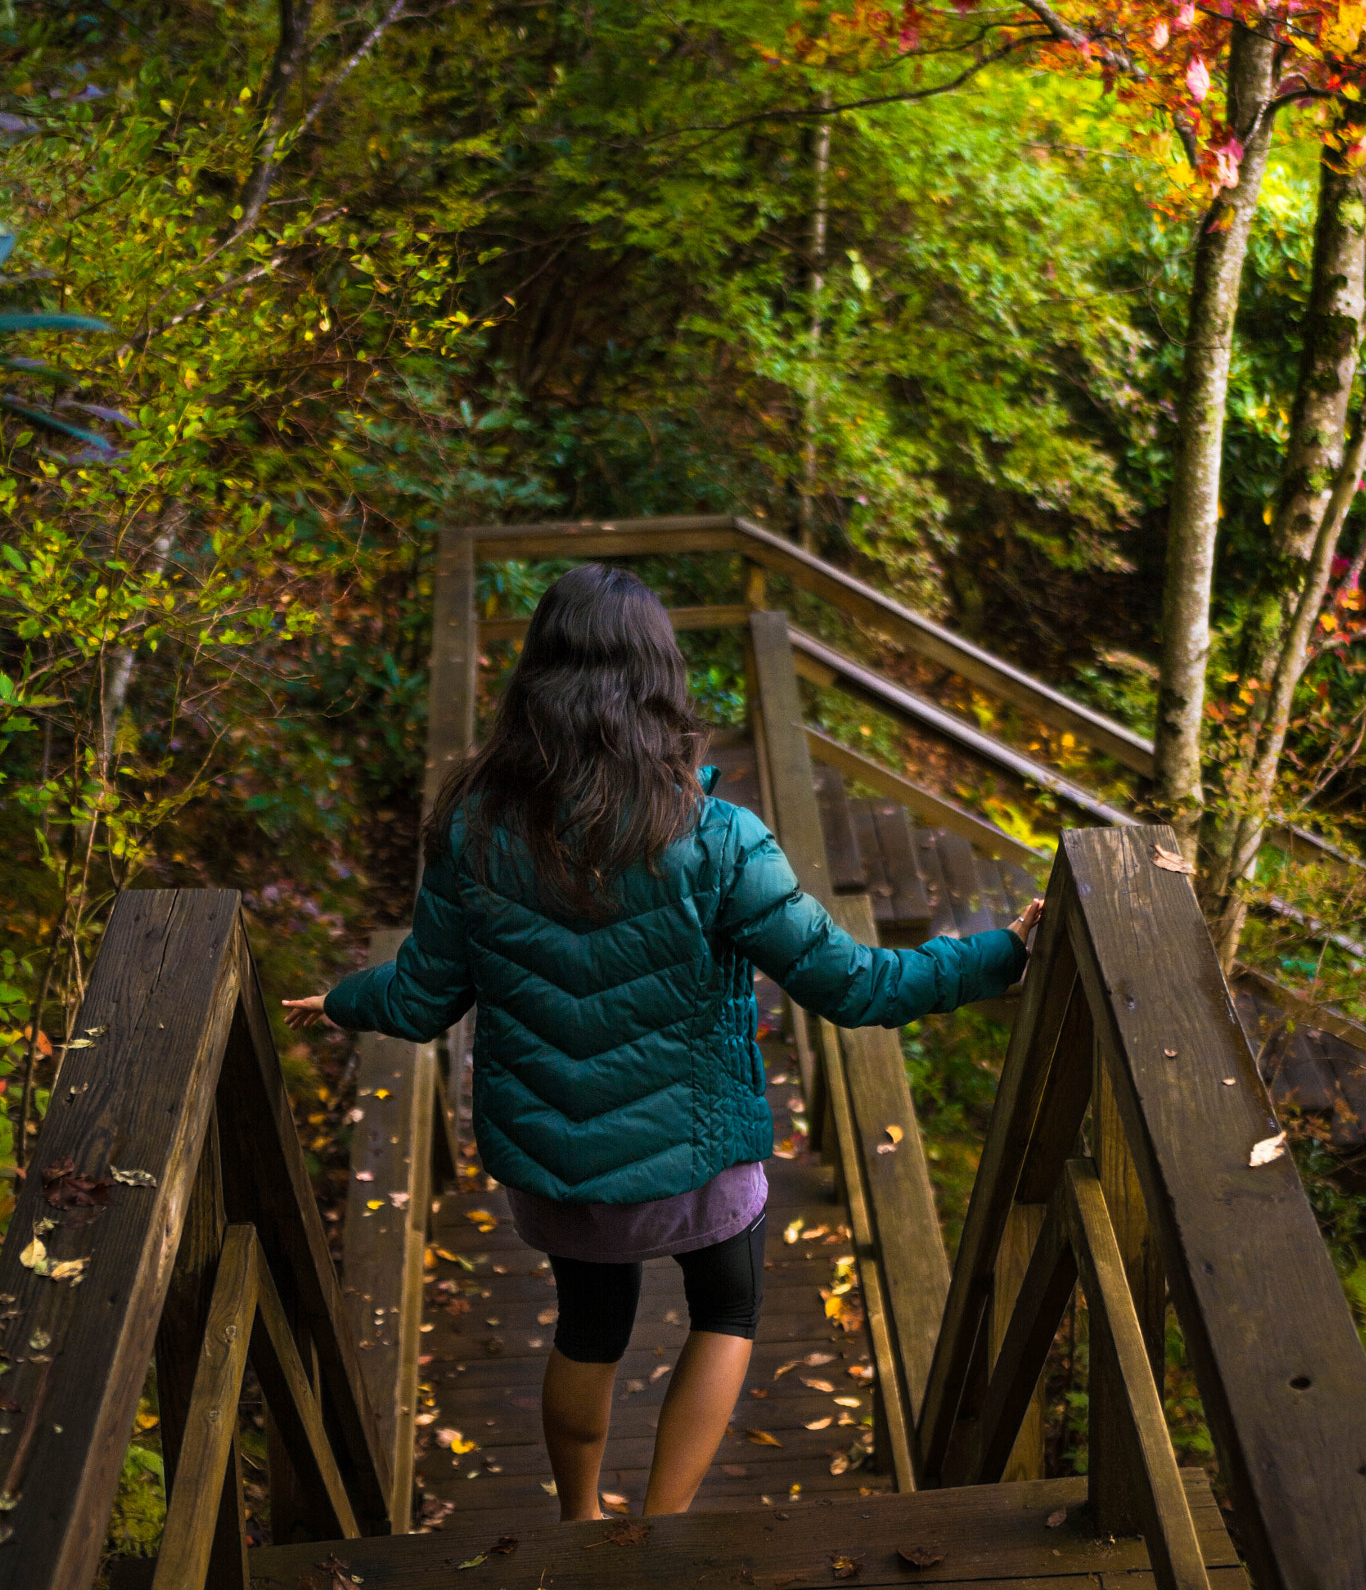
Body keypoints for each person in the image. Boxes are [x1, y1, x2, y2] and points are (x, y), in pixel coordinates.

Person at [285, 562, 1040, 1521]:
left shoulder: (476, 829)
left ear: (538, 678)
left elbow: (425, 994)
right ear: (660, 680)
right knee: (728, 1311)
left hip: (561, 1169)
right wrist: (1001, 956)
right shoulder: (719, 838)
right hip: (698, 1163)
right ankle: (662, 1527)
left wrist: (346, 1001)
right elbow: (856, 986)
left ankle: (579, 1517)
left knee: (589, 1327)